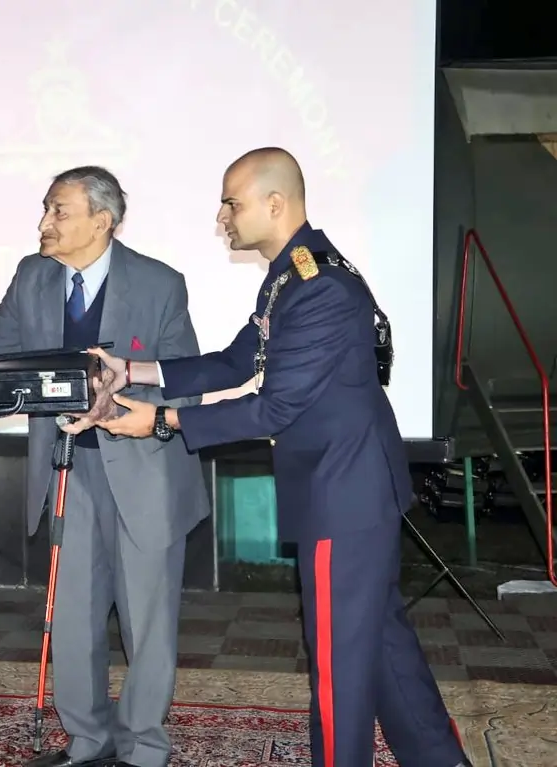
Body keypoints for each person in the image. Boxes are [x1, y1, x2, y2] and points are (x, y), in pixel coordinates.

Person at [88, 148, 470, 767]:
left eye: (231, 202)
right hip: (348, 490)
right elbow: (238, 360)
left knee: (338, 672)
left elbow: (272, 409)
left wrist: (160, 419)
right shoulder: (290, 275)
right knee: (381, 649)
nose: (222, 216)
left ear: (275, 203)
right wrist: (133, 368)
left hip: (340, 497)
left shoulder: (319, 288)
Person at [0, 166, 209, 767]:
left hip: (145, 471)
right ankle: (88, 740)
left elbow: (186, 384)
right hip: (67, 469)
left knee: (148, 621)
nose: (44, 223)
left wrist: (119, 405)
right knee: (72, 613)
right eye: (45, 210)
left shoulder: (160, 284)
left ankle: (144, 749)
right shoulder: (32, 276)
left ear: (102, 221)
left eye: (58, 211)